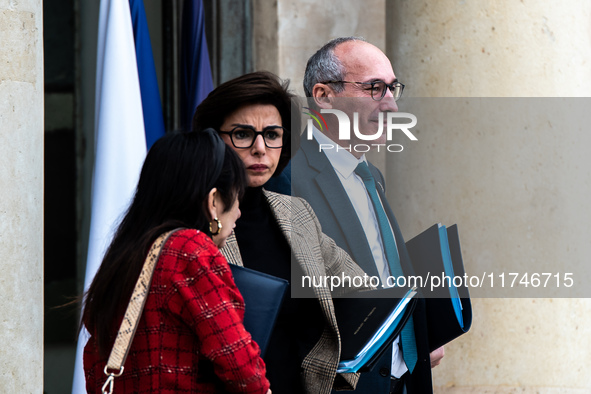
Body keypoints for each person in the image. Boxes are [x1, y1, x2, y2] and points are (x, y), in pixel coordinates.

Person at [192, 71, 368, 394]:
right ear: (213, 139)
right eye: (243, 134)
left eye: (272, 134)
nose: (260, 148)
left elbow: (361, 291)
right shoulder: (193, 222)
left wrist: (346, 375)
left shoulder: (296, 213)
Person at [291, 37, 445, 394]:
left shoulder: (371, 175)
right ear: (324, 96)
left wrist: (419, 335)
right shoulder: (289, 180)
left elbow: (383, 271)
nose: (391, 105)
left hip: (404, 379)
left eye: (393, 89)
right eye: (374, 88)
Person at [82, 130, 272, 393]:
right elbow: (240, 365)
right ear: (213, 201)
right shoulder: (189, 251)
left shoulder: (124, 258)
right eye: (238, 196)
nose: (238, 212)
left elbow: (94, 364)